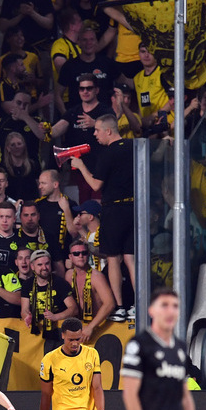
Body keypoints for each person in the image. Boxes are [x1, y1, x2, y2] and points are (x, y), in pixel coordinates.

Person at [73, 114, 136, 322]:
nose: (95, 134)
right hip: (134, 208)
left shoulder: (107, 154)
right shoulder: (134, 147)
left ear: (109, 131)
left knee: (113, 258)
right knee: (130, 258)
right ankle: (138, 304)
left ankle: (119, 307)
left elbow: (96, 186)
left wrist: (81, 166)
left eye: (97, 130)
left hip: (114, 210)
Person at [21, 249, 79, 343]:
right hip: (36, 334)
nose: (44, 267)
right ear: (32, 266)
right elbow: (24, 309)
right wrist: (26, 316)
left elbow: (73, 308)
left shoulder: (60, 283)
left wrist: (56, 317)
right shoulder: (27, 284)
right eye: (40, 265)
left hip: (58, 333)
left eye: (47, 264)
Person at [65, 239, 116, 340]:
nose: (80, 256)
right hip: (79, 327)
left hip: (96, 328)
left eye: (84, 253)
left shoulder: (97, 277)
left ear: (88, 255)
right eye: (76, 253)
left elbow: (109, 304)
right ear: (70, 257)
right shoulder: (69, 275)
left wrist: (91, 327)